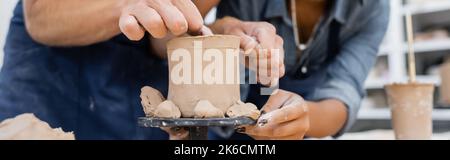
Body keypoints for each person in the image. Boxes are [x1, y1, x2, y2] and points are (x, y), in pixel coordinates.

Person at [0, 0, 218, 139]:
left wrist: (210, 35)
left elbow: (165, 38)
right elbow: (40, 13)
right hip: (52, 72)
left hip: (134, 83)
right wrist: (126, 5)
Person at [202, 0, 390, 139]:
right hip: (221, 127)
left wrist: (303, 115)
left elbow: (343, 94)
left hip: (297, 130)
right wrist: (222, 30)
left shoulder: (371, 7)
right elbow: (181, 29)